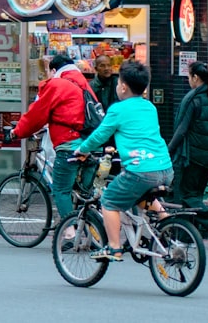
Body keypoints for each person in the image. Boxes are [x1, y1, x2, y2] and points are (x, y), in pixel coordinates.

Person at [74, 61, 173, 261]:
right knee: (141, 195)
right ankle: (170, 226)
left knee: (109, 201)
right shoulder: (150, 107)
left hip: (141, 171)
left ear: (124, 86)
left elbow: (99, 135)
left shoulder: (118, 109)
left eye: (118, 82)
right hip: (165, 168)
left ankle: (113, 247)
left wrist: (81, 150)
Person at [9, 54, 98, 226]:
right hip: (89, 143)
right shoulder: (83, 83)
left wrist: (17, 132)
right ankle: (91, 231)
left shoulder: (57, 84)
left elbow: (36, 115)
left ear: (54, 70)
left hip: (69, 143)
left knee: (60, 190)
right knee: (83, 193)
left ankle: (70, 232)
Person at [168, 61, 208, 246]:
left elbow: (181, 130)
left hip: (193, 156)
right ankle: (186, 239)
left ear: (195, 78)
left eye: (189, 77)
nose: (188, 81)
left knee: (186, 195)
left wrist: (168, 151)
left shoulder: (193, 99)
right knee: (194, 198)